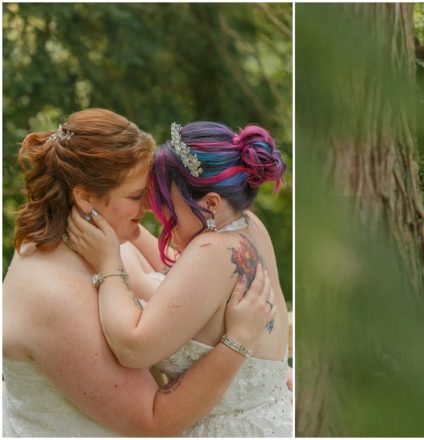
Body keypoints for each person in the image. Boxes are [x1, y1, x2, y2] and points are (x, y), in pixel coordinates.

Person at [2, 108, 276, 436]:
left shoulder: (105, 241)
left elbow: (180, 279)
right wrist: (238, 343)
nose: (149, 206)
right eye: (135, 196)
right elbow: (152, 420)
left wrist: (265, 377)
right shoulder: (54, 292)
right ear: (86, 198)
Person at [67, 120, 292, 436]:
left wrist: (108, 264)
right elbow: (186, 282)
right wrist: (124, 227)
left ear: (210, 203)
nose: (165, 223)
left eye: (170, 211)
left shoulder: (212, 251)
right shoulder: (248, 226)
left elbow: (133, 348)